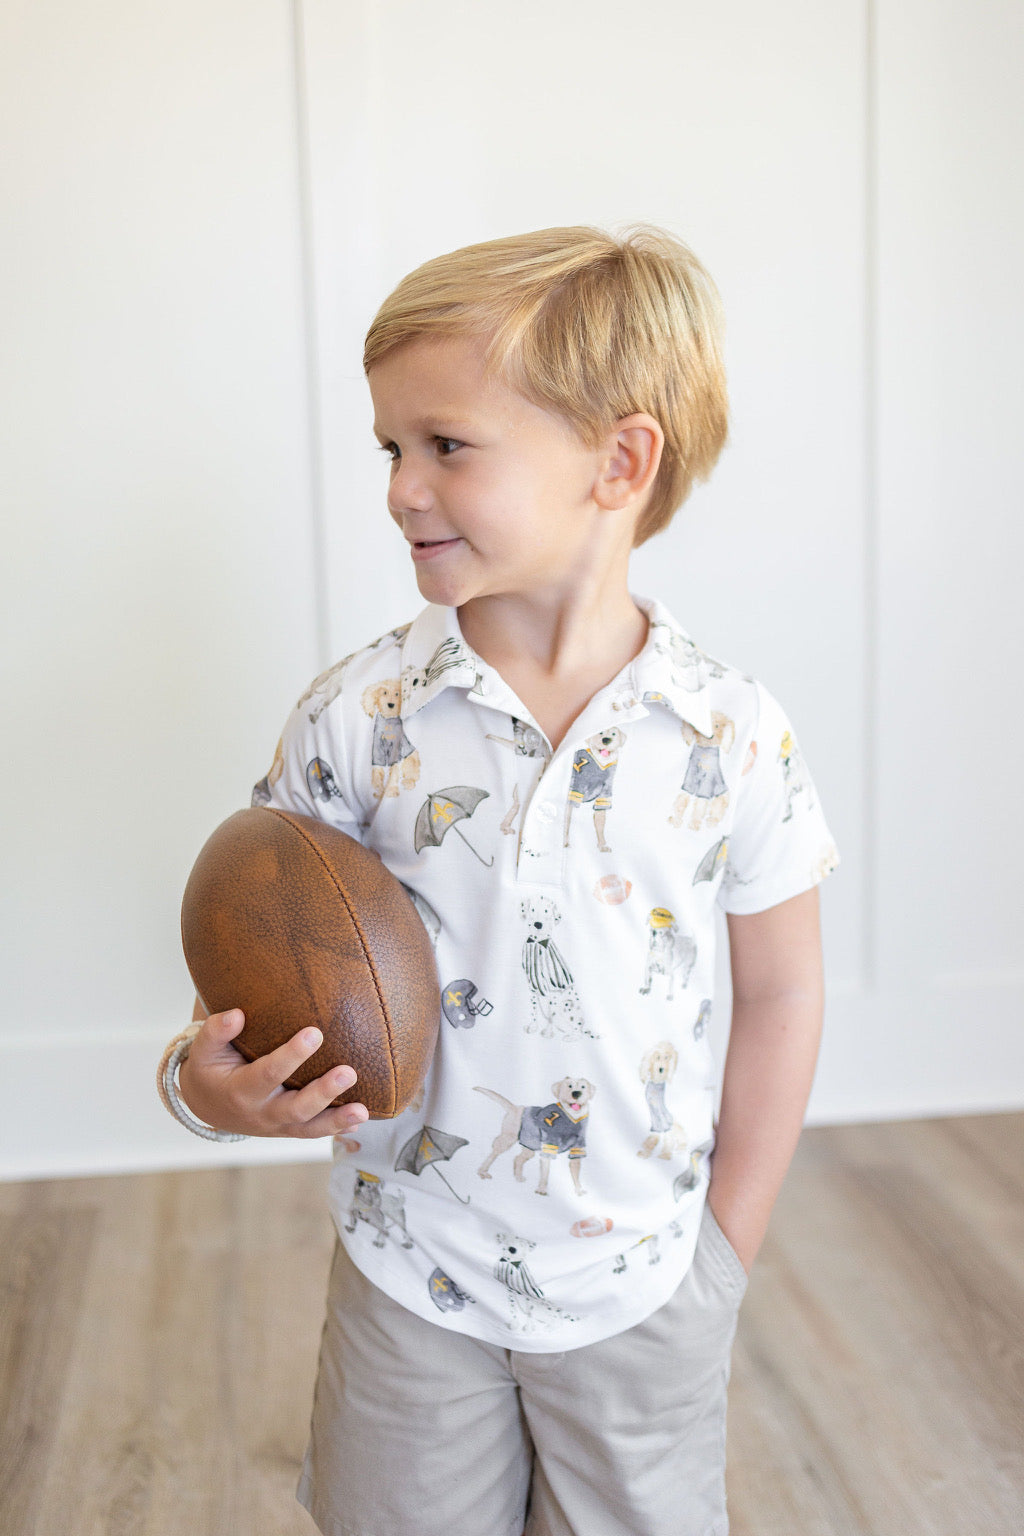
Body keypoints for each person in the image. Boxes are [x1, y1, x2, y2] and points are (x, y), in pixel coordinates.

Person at [163, 225, 839, 1536]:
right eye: (389, 448)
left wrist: (724, 1252)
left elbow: (784, 993)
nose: (401, 488)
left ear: (619, 462)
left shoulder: (729, 733)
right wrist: (206, 1081)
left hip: (642, 1286)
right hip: (411, 1276)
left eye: (447, 446)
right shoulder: (359, 715)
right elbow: (262, 942)